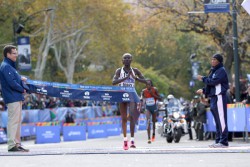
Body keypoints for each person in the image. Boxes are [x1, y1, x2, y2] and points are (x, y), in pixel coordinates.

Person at [112, 53, 146, 150]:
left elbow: (145, 81)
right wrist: (126, 78)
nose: (127, 60)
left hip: (132, 95)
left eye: (128, 58)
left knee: (131, 116)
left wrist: (136, 78)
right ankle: (125, 140)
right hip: (122, 94)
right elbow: (113, 82)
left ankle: (132, 140)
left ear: (131, 60)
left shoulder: (135, 70)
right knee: (123, 118)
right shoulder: (119, 71)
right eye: (125, 58)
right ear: (122, 60)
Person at [0, 45, 29, 152]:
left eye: (16, 52)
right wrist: (22, 89)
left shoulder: (10, 66)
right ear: (8, 54)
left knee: (17, 121)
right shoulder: (6, 66)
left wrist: (21, 78)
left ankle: (17, 143)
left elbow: (14, 78)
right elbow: (11, 83)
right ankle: (12, 145)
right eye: (14, 53)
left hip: (16, 97)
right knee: (13, 121)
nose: (16, 55)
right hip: (12, 97)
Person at [196, 53, 229, 148]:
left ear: (219, 61)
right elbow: (211, 85)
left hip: (219, 97)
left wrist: (203, 78)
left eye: (215, 59)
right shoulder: (214, 71)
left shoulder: (221, 70)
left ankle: (224, 141)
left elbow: (214, 82)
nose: (212, 61)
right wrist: (204, 90)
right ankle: (218, 140)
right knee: (217, 120)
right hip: (214, 97)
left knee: (221, 120)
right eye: (212, 59)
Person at [141, 80, 161, 144]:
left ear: (151, 84)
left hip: (154, 107)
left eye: (149, 84)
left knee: (154, 122)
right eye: (147, 84)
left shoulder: (155, 89)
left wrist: (153, 94)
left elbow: (160, 98)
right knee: (148, 121)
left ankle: (154, 134)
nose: (148, 86)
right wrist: (142, 103)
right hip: (148, 108)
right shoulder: (144, 91)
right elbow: (142, 98)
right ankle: (149, 138)